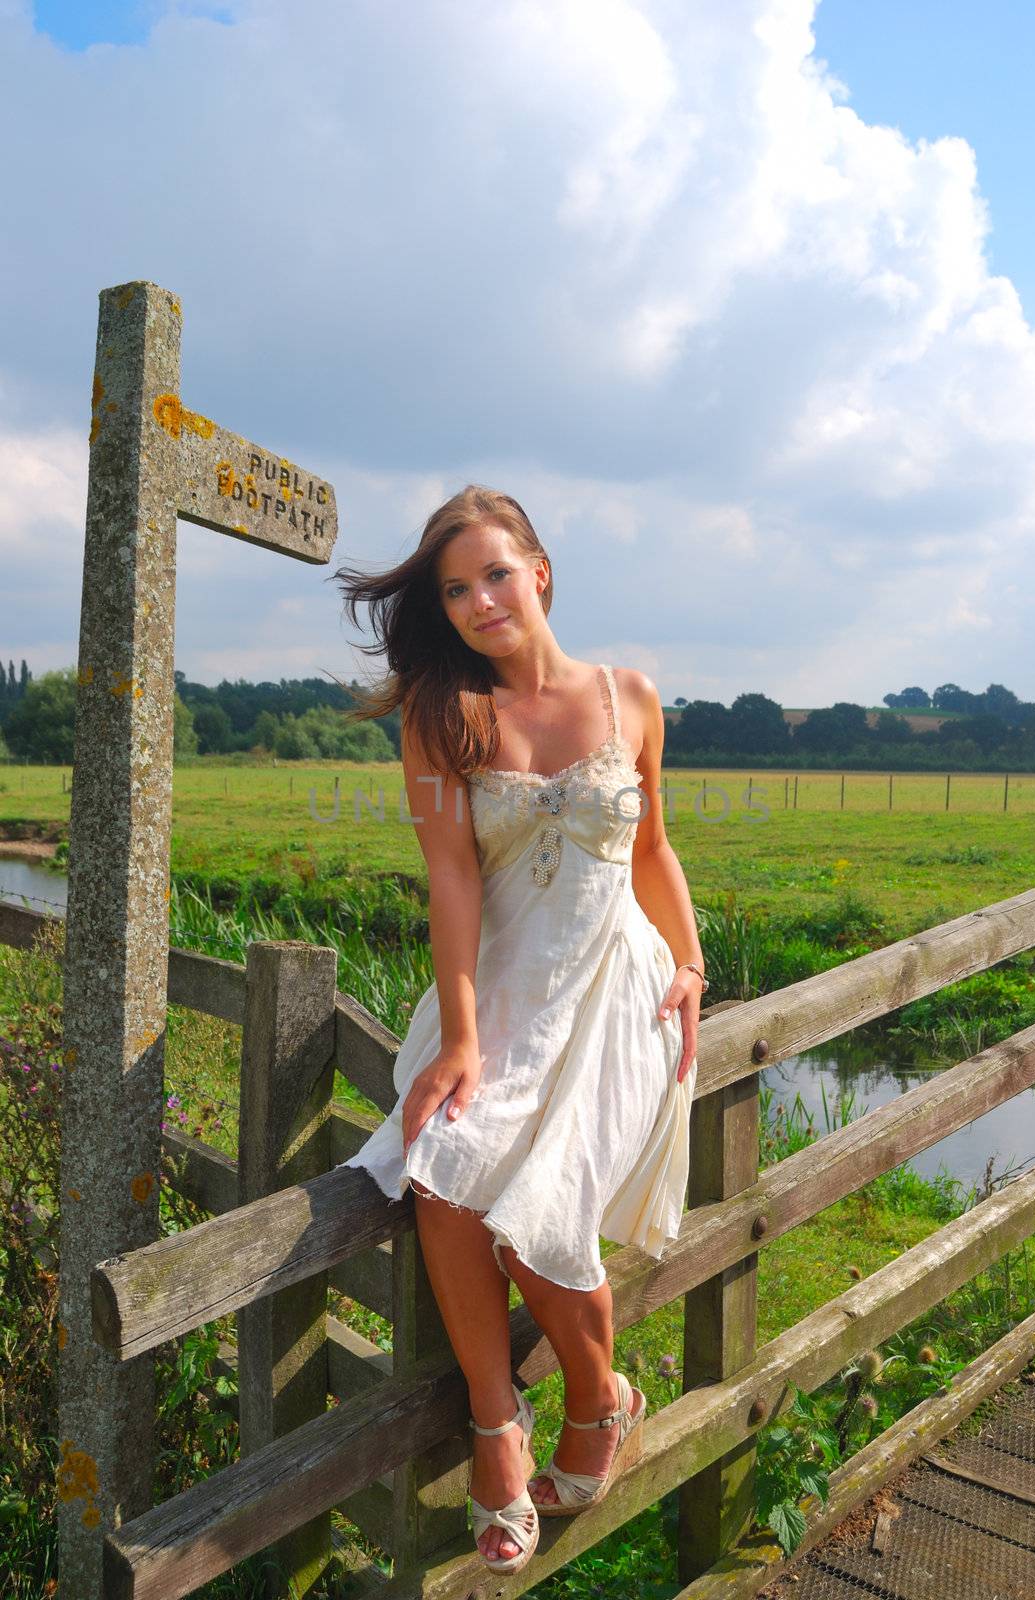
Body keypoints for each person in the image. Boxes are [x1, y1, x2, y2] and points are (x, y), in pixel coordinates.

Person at [331, 485, 705, 1575]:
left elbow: (654, 851)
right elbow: (450, 880)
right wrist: (456, 1038)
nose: (479, 600)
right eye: (454, 589)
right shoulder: (442, 715)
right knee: (444, 1170)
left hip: (617, 993)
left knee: (540, 1205)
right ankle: (501, 1433)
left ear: (539, 570)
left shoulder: (630, 695)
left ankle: (600, 1399)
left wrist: (690, 964)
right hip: (500, 989)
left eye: (495, 573)